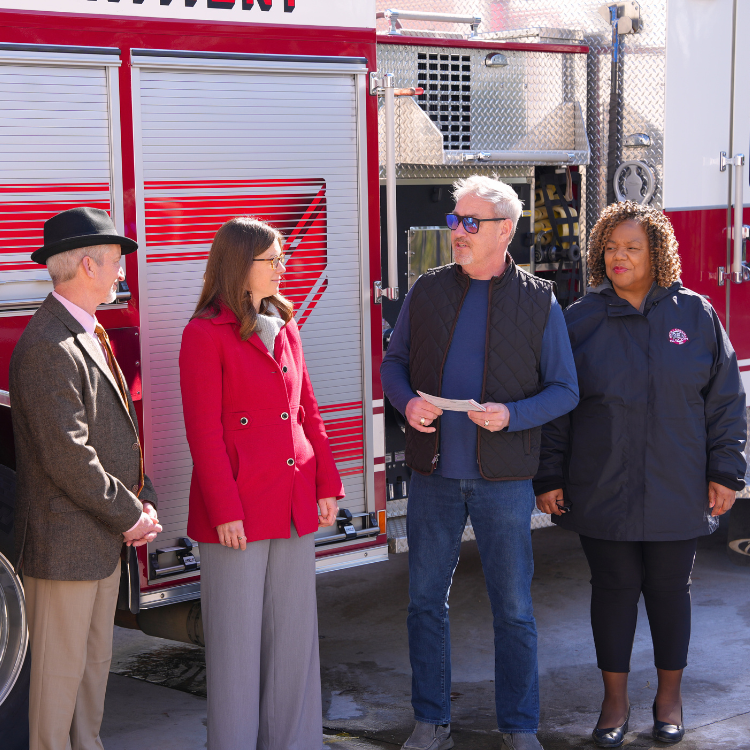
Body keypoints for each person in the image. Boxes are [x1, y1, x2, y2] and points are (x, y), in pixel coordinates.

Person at [534, 201, 747, 747]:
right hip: (602, 484)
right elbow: (559, 406)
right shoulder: (579, 319)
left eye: (631, 247)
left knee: (670, 591)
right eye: (610, 247)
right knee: (612, 591)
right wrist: (549, 475)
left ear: (657, 252)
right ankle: (614, 703)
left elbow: (725, 403)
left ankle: (669, 698)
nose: (619, 257)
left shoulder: (696, 315)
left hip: (678, 485)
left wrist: (726, 471)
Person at [381, 176, 579, 750]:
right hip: (433, 477)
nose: (458, 234)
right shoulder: (428, 290)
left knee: (514, 609)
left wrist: (511, 416)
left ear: (505, 231)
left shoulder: (538, 299)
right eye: (454, 221)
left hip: (504, 482)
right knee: (424, 605)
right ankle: (430, 721)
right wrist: (408, 401)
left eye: (471, 223)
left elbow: (565, 390)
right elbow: (393, 365)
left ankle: (519, 728)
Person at [179, 217, 344, 750]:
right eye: (271, 259)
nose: (282, 267)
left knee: (295, 641)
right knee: (235, 649)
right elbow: (202, 432)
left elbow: (307, 413)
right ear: (238, 265)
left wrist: (327, 483)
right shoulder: (203, 333)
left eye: (281, 258)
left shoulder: (283, 323)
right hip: (237, 512)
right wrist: (224, 508)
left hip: (294, 499)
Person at [10, 207, 162, 750]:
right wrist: (132, 514)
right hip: (65, 547)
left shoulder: (83, 331)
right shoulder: (47, 347)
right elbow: (68, 456)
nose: (123, 273)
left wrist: (139, 504)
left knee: (92, 675)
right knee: (58, 689)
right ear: (89, 265)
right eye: (118, 262)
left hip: (97, 540)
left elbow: (113, 438)